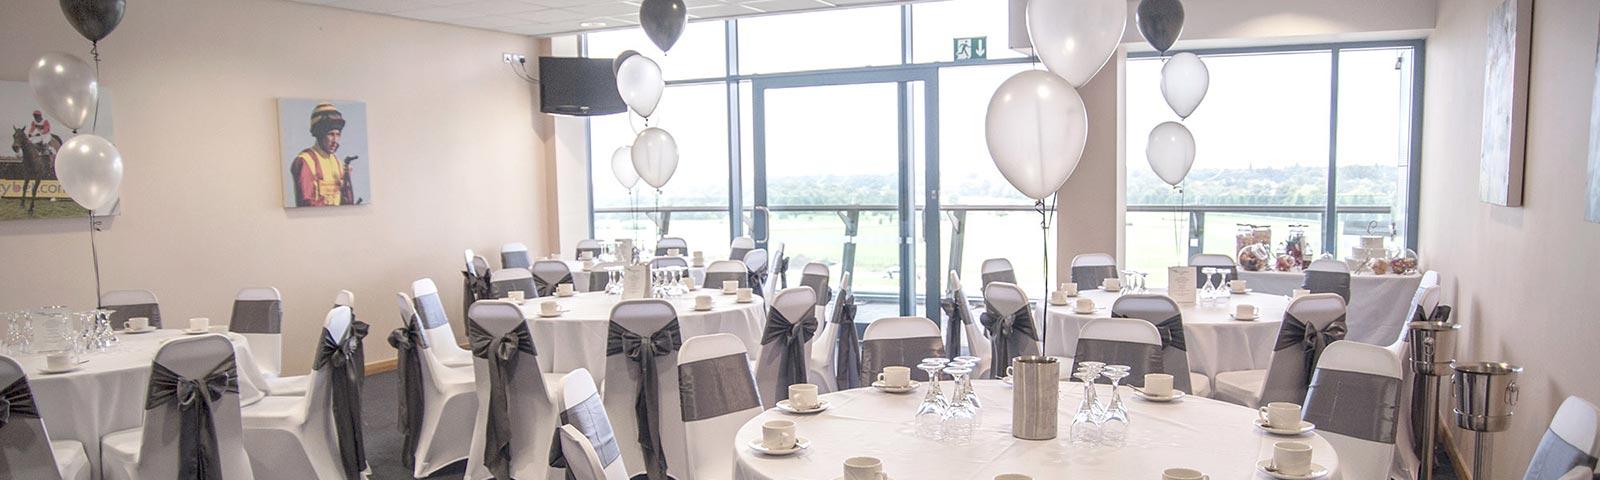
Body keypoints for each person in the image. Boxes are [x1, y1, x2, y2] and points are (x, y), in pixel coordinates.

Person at [289, 103, 359, 206]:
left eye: (338, 134)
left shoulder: (338, 163)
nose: (335, 140)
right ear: (319, 134)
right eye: (331, 134)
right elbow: (306, 203)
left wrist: (347, 179)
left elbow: (346, 203)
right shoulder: (305, 161)